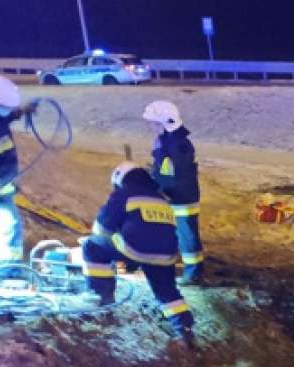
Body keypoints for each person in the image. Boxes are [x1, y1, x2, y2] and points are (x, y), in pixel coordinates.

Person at [83, 162, 194, 340]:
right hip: (166, 256)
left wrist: (113, 234)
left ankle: (101, 298)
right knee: (167, 291)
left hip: (134, 251)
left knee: (92, 246)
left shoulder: (124, 194)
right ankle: (185, 329)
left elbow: (101, 227)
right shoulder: (161, 200)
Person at [142, 100, 204, 284]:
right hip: (170, 197)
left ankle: (193, 274)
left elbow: (178, 174)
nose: (151, 126)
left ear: (163, 122)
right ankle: (177, 268)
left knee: (187, 237)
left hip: (181, 200)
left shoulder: (179, 145)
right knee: (173, 235)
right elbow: (165, 169)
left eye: (154, 123)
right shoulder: (168, 142)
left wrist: (162, 188)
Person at [0, 77, 31, 276]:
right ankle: (1, 275)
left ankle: (10, 271)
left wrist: (22, 111)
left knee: (10, 229)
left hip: (2, 185)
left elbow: (5, 116)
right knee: (3, 228)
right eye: (4, 106)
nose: (6, 110)